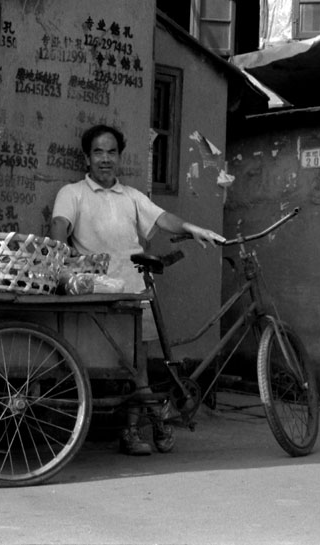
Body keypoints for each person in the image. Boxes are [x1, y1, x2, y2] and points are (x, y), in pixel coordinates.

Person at [51, 124, 225, 455]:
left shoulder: (131, 197)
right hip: (98, 295)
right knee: (101, 364)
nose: (105, 159)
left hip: (135, 291)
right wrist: (60, 259)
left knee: (140, 365)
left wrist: (193, 228)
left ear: (120, 157)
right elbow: (60, 226)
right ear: (87, 158)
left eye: (112, 152)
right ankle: (158, 418)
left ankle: (133, 431)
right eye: (98, 152)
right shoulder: (72, 193)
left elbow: (163, 219)